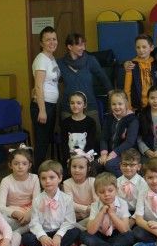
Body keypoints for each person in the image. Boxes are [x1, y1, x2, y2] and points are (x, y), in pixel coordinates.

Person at [18, 160, 80, 246]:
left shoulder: (66, 199)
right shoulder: (37, 200)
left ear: (60, 178)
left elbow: (70, 222)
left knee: (75, 232)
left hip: (60, 232)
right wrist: (42, 236)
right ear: (39, 180)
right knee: (26, 239)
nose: (47, 181)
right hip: (45, 232)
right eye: (43, 178)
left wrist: (58, 235)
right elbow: (34, 223)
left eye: (51, 177)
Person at [58, 32, 113, 140]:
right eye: (79, 45)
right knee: (69, 139)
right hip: (68, 108)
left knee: (96, 137)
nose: (83, 48)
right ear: (70, 46)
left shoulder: (90, 60)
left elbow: (103, 78)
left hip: (90, 107)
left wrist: (111, 93)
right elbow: (51, 81)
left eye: (84, 44)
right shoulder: (60, 63)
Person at [80, 172, 135, 246]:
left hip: (117, 234)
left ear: (116, 190)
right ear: (97, 193)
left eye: (110, 190)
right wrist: (101, 213)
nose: (106, 194)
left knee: (129, 236)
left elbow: (124, 229)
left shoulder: (123, 203)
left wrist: (112, 213)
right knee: (84, 235)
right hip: (100, 234)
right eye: (102, 192)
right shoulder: (95, 205)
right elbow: (91, 231)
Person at [31, 26, 60, 170]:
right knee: (41, 143)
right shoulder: (41, 59)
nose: (52, 42)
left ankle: (42, 174)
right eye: (48, 40)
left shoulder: (51, 58)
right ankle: (36, 176)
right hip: (43, 106)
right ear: (41, 43)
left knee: (46, 141)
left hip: (50, 105)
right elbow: (38, 85)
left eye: (54, 39)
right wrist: (42, 110)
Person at [0, 144, 40, 233]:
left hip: (30, 210)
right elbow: (0, 206)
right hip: (12, 211)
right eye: (16, 164)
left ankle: (16, 233)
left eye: (24, 164)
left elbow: (37, 202)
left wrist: (29, 214)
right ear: (10, 165)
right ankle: (23, 229)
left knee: (43, 213)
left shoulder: (35, 178)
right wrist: (14, 213)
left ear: (29, 165)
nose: (20, 167)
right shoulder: (6, 181)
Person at [98, 90, 139, 176]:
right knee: (95, 165)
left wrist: (113, 154)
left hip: (126, 154)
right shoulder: (108, 118)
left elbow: (129, 142)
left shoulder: (133, 120)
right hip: (109, 153)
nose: (117, 107)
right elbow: (103, 138)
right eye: (114, 104)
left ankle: (129, 180)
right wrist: (104, 154)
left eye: (120, 104)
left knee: (109, 164)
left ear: (126, 104)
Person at [62, 148, 97, 229]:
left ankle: (80, 228)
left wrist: (90, 210)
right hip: (75, 214)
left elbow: (97, 201)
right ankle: (78, 227)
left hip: (91, 214)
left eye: (81, 167)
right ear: (69, 167)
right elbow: (70, 203)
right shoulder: (67, 183)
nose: (77, 170)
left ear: (88, 168)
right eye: (74, 166)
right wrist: (86, 209)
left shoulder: (92, 181)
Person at [60, 91, 98, 162]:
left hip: (86, 157)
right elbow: (64, 144)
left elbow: (91, 143)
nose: (75, 105)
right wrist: (69, 158)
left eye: (79, 103)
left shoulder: (91, 122)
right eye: (72, 103)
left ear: (85, 105)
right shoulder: (65, 123)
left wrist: (83, 157)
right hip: (70, 158)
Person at [124, 34, 157, 110]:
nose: (141, 50)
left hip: (154, 105)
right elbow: (127, 90)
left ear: (151, 48)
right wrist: (129, 107)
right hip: (138, 106)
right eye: (138, 47)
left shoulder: (156, 63)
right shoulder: (131, 65)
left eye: (144, 47)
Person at [116, 149, 148, 225]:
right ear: (120, 165)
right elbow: (116, 202)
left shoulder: (143, 183)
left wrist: (133, 219)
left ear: (139, 166)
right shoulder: (116, 182)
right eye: (124, 164)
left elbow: (143, 204)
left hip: (138, 213)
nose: (128, 168)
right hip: (122, 213)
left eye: (132, 165)